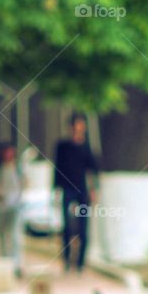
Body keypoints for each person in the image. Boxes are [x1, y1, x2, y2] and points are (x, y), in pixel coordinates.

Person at [54, 113, 100, 273]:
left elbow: (93, 170)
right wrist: (55, 190)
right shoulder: (62, 147)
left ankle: (80, 263)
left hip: (83, 191)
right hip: (67, 189)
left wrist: (94, 190)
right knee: (66, 226)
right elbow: (57, 169)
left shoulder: (87, 148)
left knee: (83, 227)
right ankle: (66, 260)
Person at [0, 142, 26, 277]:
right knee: (2, 236)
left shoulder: (18, 169)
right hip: (3, 206)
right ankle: (5, 263)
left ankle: (16, 264)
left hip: (16, 206)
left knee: (15, 236)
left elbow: (24, 183)